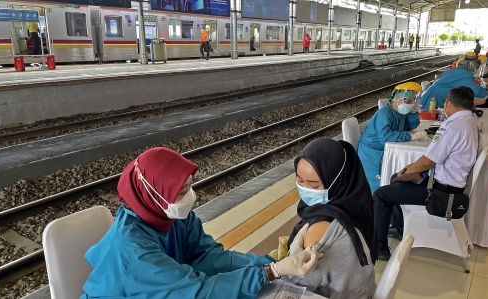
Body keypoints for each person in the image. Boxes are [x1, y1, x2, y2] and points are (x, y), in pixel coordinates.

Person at [80, 148, 321, 298]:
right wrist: (270, 273)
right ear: (156, 194)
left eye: (189, 186)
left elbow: (210, 257)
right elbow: (198, 292)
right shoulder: (135, 252)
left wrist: (275, 262)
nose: (190, 196)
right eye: (181, 191)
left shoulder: (168, 215)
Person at [374, 86, 480, 260]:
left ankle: (380, 249)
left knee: (381, 194)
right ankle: (400, 226)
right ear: (471, 105)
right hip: (451, 186)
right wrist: (409, 172)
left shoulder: (453, 126)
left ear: (447, 103)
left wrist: (403, 172)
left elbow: (427, 162)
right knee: (400, 182)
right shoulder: (471, 124)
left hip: (440, 193)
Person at [286, 138, 377, 299]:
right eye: (300, 180)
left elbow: (292, 287)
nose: (306, 189)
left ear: (337, 181)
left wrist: (276, 269)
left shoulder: (319, 232)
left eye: (314, 186)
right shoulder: (353, 203)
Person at [358, 82, 425, 194]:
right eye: (408, 101)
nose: (410, 104)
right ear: (398, 99)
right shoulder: (384, 114)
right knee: (377, 184)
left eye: (412, 102)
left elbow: (410, 126)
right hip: (372, 152)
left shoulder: (399, 112)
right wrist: (410, 137)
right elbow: (386, 137)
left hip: (384, 149)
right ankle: (374, 205)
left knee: (389, 177)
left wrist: (413, 112)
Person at [420, 52, 488, 110]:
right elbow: (476, 91)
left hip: (432, 96)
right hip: (434, 99)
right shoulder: (465, 74)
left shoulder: (458, 70)